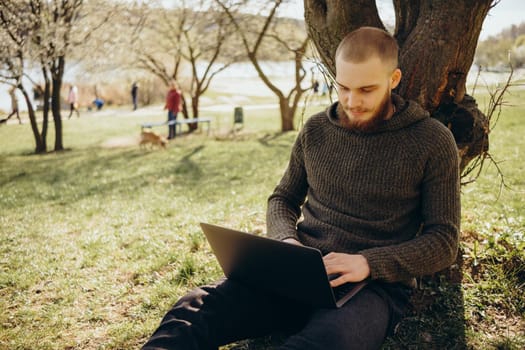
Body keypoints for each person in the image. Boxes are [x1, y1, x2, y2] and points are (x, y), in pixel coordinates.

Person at [142, 26, 460, 350]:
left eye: (366, 89)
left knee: (328, 342)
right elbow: (283, 198)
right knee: (194, 309)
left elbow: (444, 240)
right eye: (344, 87)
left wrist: (367, 263)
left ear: (393, 80)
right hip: (300, 272)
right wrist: (286, 240)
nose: (352, 101)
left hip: (371, 288)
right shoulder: (317, 129)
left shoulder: (431, 141)